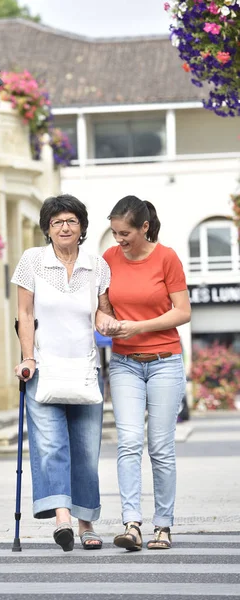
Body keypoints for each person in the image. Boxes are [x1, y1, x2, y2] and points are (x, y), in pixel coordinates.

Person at [11, 193, 120, 552]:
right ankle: (63, 519)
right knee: (52, 446)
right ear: (47, 227)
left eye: (71, 220)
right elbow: (25, 314)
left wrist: (112, 323)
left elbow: (101, 314)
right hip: (44, 368)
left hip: (86, 370)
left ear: (82, 227)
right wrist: (28, 358)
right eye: (57, 221)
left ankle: (86, 520)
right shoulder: (33, 261)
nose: (64, 227)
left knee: (86, 451)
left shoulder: (96, 265)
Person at [97, 195, 191, 551]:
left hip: (165, 361)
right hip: (124, 364)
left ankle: (163, 526)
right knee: (129, 442)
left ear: (144, 227)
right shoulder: (108, 259)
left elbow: (182, 312)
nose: (118, 239)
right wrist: (105, 322)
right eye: (115, 232)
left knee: (161, 447)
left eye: (124, 233)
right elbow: (102, 309)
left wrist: (138, 327)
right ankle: (131, 524)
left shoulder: (167, 258)